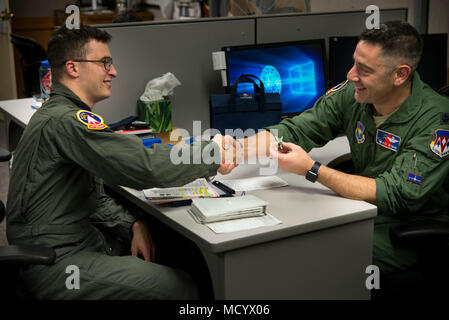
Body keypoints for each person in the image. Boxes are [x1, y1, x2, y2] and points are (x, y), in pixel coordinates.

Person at [6, 24, 236, 300]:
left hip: (76, 242)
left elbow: (90, 196)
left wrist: (131, 224)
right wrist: (213, 152)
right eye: (104, 63)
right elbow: (147, 166)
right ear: (73, 68)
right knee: (181, 287)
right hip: (58, 264)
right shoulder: (67, 121)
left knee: (171, 248)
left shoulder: (60, 114)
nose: (113, 72)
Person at [239, 21, 449, 277]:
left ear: (400, 75)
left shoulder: (436, 121)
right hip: (361, 210)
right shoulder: (355, 93)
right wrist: (235, 149)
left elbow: (395, 193)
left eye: (364, 69)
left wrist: (312, 170)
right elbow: (299, 129)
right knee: (287, 239)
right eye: (354, 63)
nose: (351, 75)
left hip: (407, 230)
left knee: (310, 255)